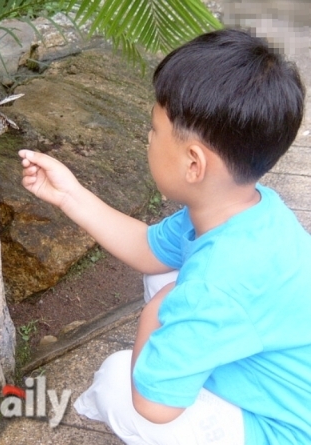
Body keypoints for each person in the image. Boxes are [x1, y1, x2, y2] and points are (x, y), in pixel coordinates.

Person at [19, 28, 310, 444]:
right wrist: (69, 195)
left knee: (118, 381)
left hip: (285, 429)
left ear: (194, 164)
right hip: (276, 368)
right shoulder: (249, 209)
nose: (148, 139)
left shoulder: (216, 282)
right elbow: (147, 249)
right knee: (164, 276)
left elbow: (153, 407)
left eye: (154, 131)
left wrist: (155, 312)